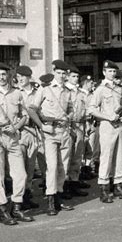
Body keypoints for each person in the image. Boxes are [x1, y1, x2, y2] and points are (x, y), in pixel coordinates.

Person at [0, 62, 34, 224]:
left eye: (4, 75)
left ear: (9, 76)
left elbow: (25, 115)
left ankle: (16, 207)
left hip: (13, 138)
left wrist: (17, 126)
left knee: (21, 174)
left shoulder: (17, 94)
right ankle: (3, 209)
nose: (2, 78)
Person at [27, 60, 75, 215]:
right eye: (59, 73)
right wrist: (42, 126)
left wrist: (69, 116)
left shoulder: (67, 91)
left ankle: (58, 198)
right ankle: (50, 200)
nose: (61, 76)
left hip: (64, 132)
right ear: (54, 72)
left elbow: (71, 109)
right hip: (50, 132)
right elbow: (32, 109)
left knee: (63, 168)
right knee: (52, 167)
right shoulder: (45, 89)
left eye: (64, 73)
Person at [89, 60, 122, 203]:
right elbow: (91, 109)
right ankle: (103, 189)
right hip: (107, 126)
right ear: (104, 72)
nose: (112, 74)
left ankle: (118, 186)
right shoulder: (100, 89)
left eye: (114, 72)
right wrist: (108, 116)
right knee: (106, 157)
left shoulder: (120, 88)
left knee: (120, 157)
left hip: (120, 125)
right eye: (109, 71)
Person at [16, 65, 41, 209]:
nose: (20, 79)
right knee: (20, 168)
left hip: (34, 130)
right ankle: (18, 199)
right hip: (21, 132)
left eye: (23, 77)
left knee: (30, 166)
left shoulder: (37, 93)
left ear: (29, 78)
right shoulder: (15, 92)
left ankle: (27, 195)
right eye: (18, 77)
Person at [64, 65, 90, 197]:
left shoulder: (81, 93)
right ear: (67, 77)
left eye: (77, 77)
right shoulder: (64, 91)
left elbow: (87, 108)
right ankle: (64, 184)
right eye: (72, 76)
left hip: (80, 125)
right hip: (68, 126)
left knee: (77, 156)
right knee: (66, 156)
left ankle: (74, 182)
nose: (75, 79)